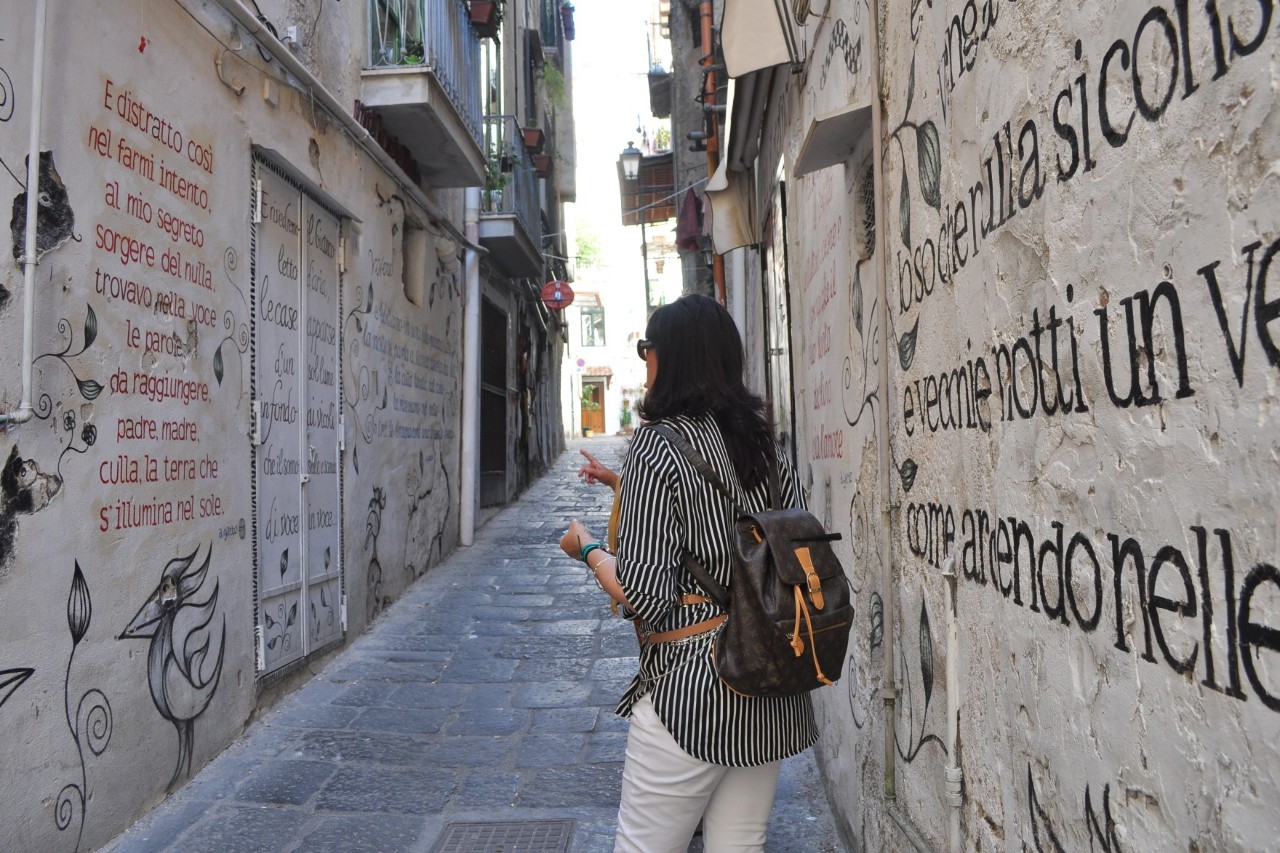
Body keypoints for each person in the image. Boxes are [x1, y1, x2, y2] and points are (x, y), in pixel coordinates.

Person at [559, 294, 816, 852]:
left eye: (646, 349)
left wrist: (588, 550)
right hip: (771, 680)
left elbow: (645, 597)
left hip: (695, 691)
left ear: (669, 358)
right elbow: (795, 547)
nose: (642, 361)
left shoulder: (656, 447)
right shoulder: (763, 444)